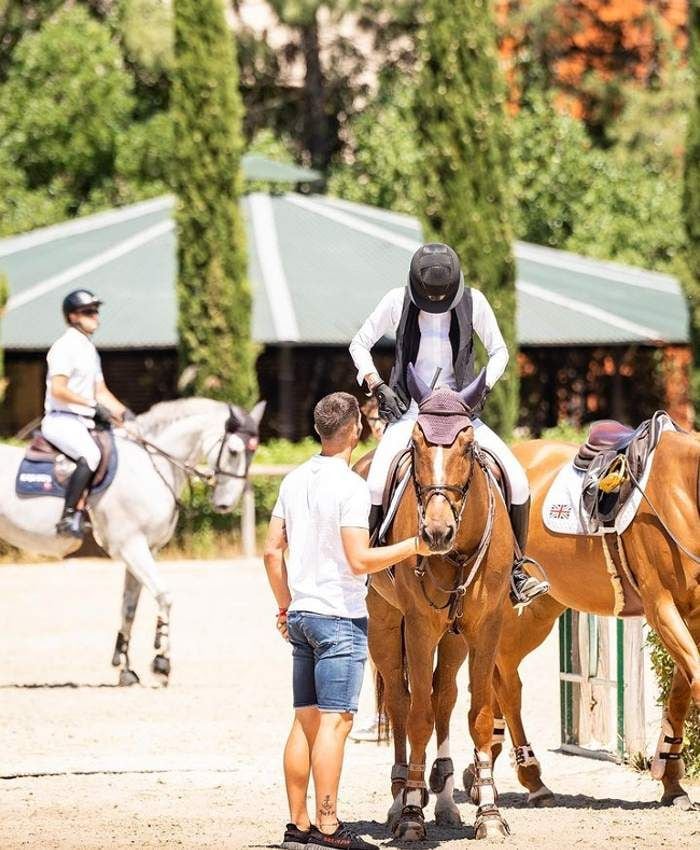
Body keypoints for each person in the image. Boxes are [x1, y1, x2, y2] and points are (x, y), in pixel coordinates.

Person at [263, 391, 434, 850]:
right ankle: (329, 826)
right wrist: (414, 546)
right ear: (355, 430)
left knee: (305, 722)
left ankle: (297, 827)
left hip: (301, 615)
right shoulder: (351, 487)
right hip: (338, 618)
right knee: (335, 724)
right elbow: (359, 560)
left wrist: (284, 605)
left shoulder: (294, 479)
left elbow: (270, 551)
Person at [349, 242, 549, 608]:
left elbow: (500, 351)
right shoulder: (397, 300)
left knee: (518, 480)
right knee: (376, 482)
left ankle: (516, 570)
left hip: (460, 414)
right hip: (412, 411)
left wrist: (484, 385)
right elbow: (359, 344)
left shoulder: (475, 302)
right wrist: (377, 385)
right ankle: (370, 566)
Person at [41, 289, 135, 538]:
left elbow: (101, 391)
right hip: (61, 420)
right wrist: (91, 406)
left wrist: (125, 414)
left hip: (83, 420)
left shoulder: (88, 349)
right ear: (73, 317)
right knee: (91, 455)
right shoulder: (64, 347)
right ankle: (68, 515)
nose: (96, 317)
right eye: (89, 312)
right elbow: (59, 390)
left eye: (96, 311)